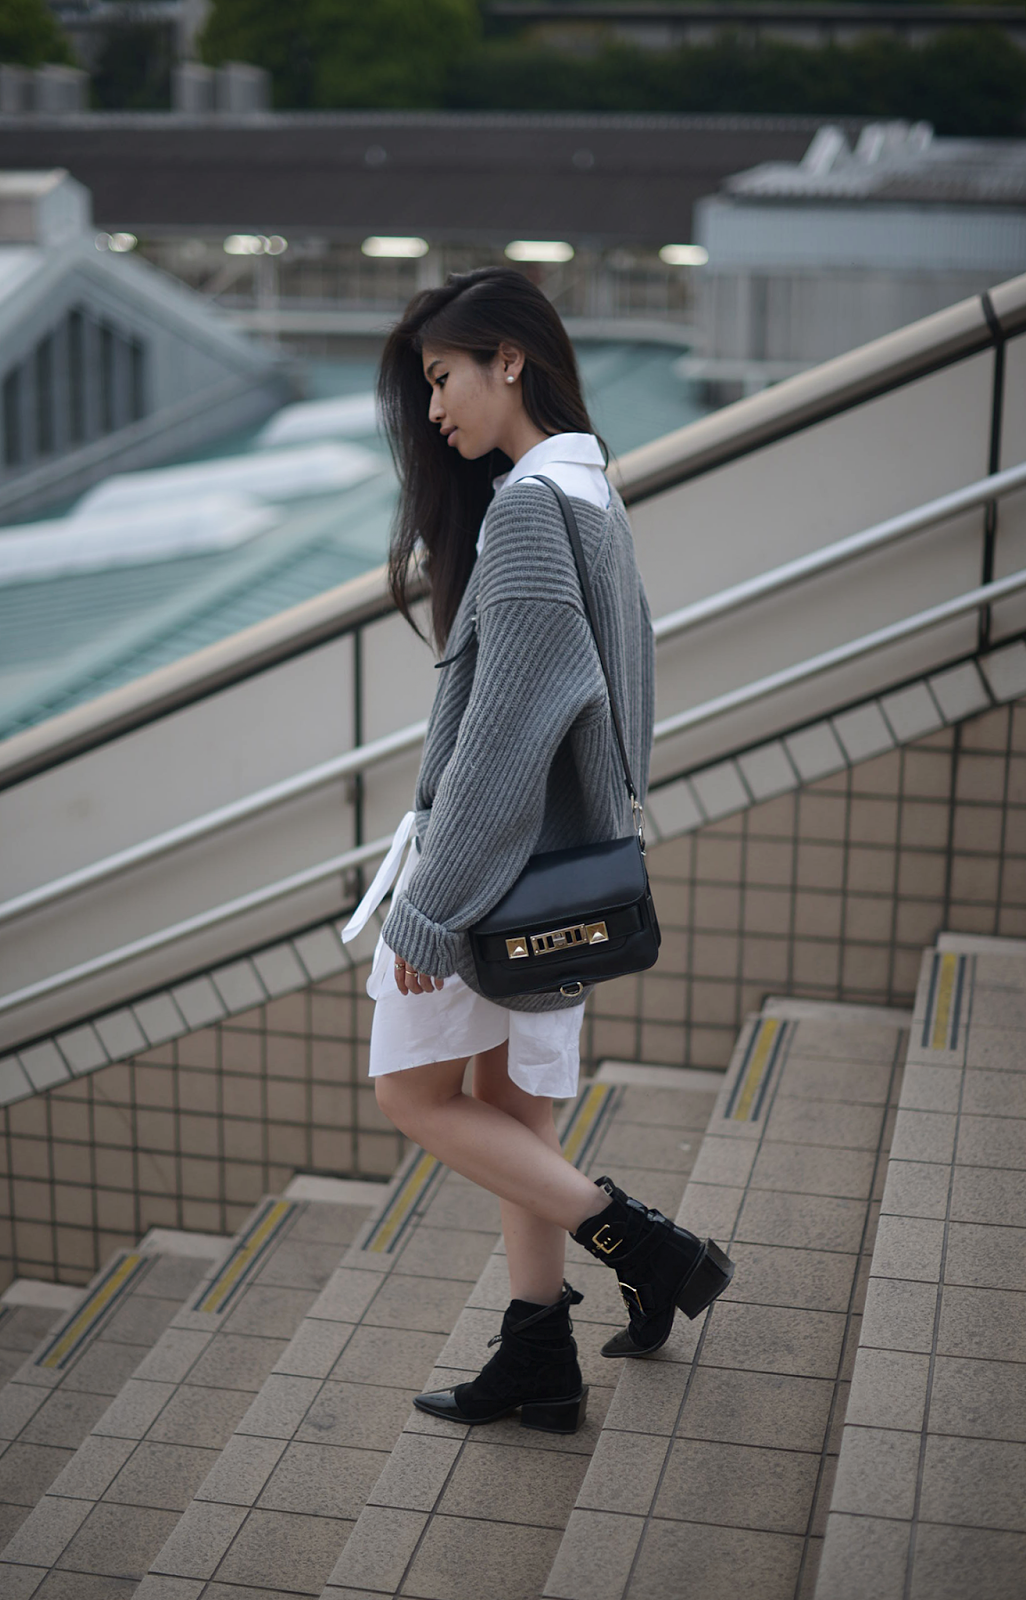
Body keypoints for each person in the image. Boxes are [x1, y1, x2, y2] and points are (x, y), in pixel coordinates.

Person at [343, 267, 732, 1436]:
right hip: (565, 875)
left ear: (509, 359)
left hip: (499, 879)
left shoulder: (524, 513)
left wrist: (430, 908)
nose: (433, 411)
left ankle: (644, 1244)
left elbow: (507, 734)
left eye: (442, 378)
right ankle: (540, 1358)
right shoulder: (589, 488)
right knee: (516, 1111)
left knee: (411, 1094)